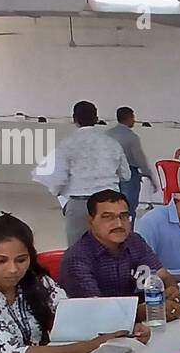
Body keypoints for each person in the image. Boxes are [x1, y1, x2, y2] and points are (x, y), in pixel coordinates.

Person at [0, 214, 146, 353]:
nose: (13, 269)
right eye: (1, 261)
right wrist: (90, 347)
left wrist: (126, 328)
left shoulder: (35, 280)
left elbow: (74, 314)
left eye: (21, 260)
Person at [59, 189, 180, 321]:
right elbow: (97, 313)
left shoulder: (134, 241)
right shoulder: (77, 259)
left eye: (123, 216)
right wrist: (152, 309)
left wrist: (171, 289)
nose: (118, 224)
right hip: (97, 334)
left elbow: (162, 275)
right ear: (91, 221)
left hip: (141, 325)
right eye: (108, 217)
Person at [34, 100, 129, 246]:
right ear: (96, 119)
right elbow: (126, 175)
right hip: (109, 204)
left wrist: (60, 196)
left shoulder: (67, 145)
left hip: (79, 205)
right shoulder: (112, 143)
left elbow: (58, 180)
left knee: (77, 255)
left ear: (74, 119)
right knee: (111, 250)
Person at [106, 106, 153, 213]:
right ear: (128, 118)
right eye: (133, 117)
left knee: (111, 206)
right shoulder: (132, 137)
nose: (134, 120)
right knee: (128, 207)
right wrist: (148, 174)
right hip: (130, 174)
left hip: (110, 173)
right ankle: (127, 229)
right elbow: (139, 158)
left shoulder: (107, 134)